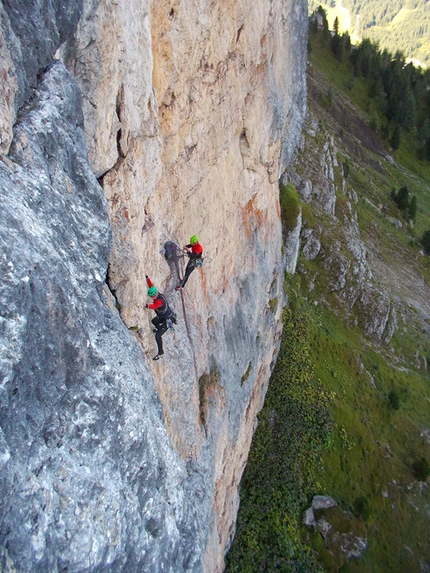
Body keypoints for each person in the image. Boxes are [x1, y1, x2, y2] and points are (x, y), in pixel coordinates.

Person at [144, 275, 176, 360]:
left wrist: (146, 305)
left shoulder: (158, 301)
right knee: (154, 321)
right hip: (164, 317)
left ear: (154, 295)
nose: (151, 298)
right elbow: (151, 286)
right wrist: (147, 278)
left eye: (151, 297)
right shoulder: (157, 293)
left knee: (158, 336)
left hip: (169, 320)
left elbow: (154, 306)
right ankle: (159, 329)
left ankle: (161, 353)